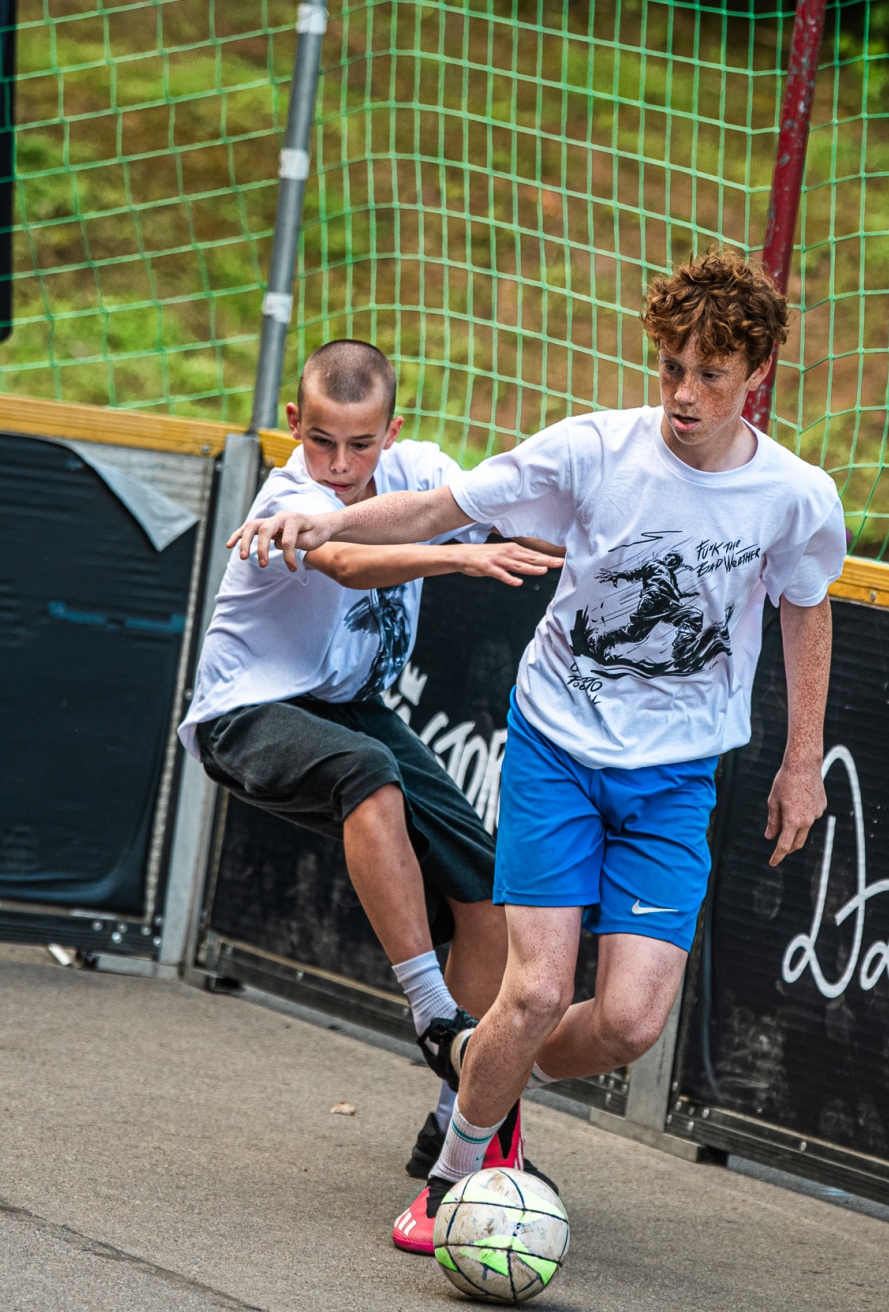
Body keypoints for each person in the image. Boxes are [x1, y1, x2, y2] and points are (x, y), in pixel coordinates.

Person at [231, 251, 846, 1253]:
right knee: (539, 989)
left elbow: (807, 610)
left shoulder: (795, 496)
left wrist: (801, 760)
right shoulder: (593, 451)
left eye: (711, 376)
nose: (685, 396)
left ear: (757, 374)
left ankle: (489, 1060)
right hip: (557, 746)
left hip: (676, 778)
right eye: (672, 368)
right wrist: (324, 518)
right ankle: (452, 1177)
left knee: (630, 1023)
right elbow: (439, 509)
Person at [177, 340, 563, 1251]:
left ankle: (454, 1118)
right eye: (322, 441)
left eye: (360, 445)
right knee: (368, 775)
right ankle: (434, 1016)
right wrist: (459, 562)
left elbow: (514, 518)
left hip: (351, 706)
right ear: (294, 427)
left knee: (487, 886)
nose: (340, 466)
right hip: (249, 711)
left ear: (393, 433)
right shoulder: (291, 499)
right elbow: (348, 560)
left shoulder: (421, 473)